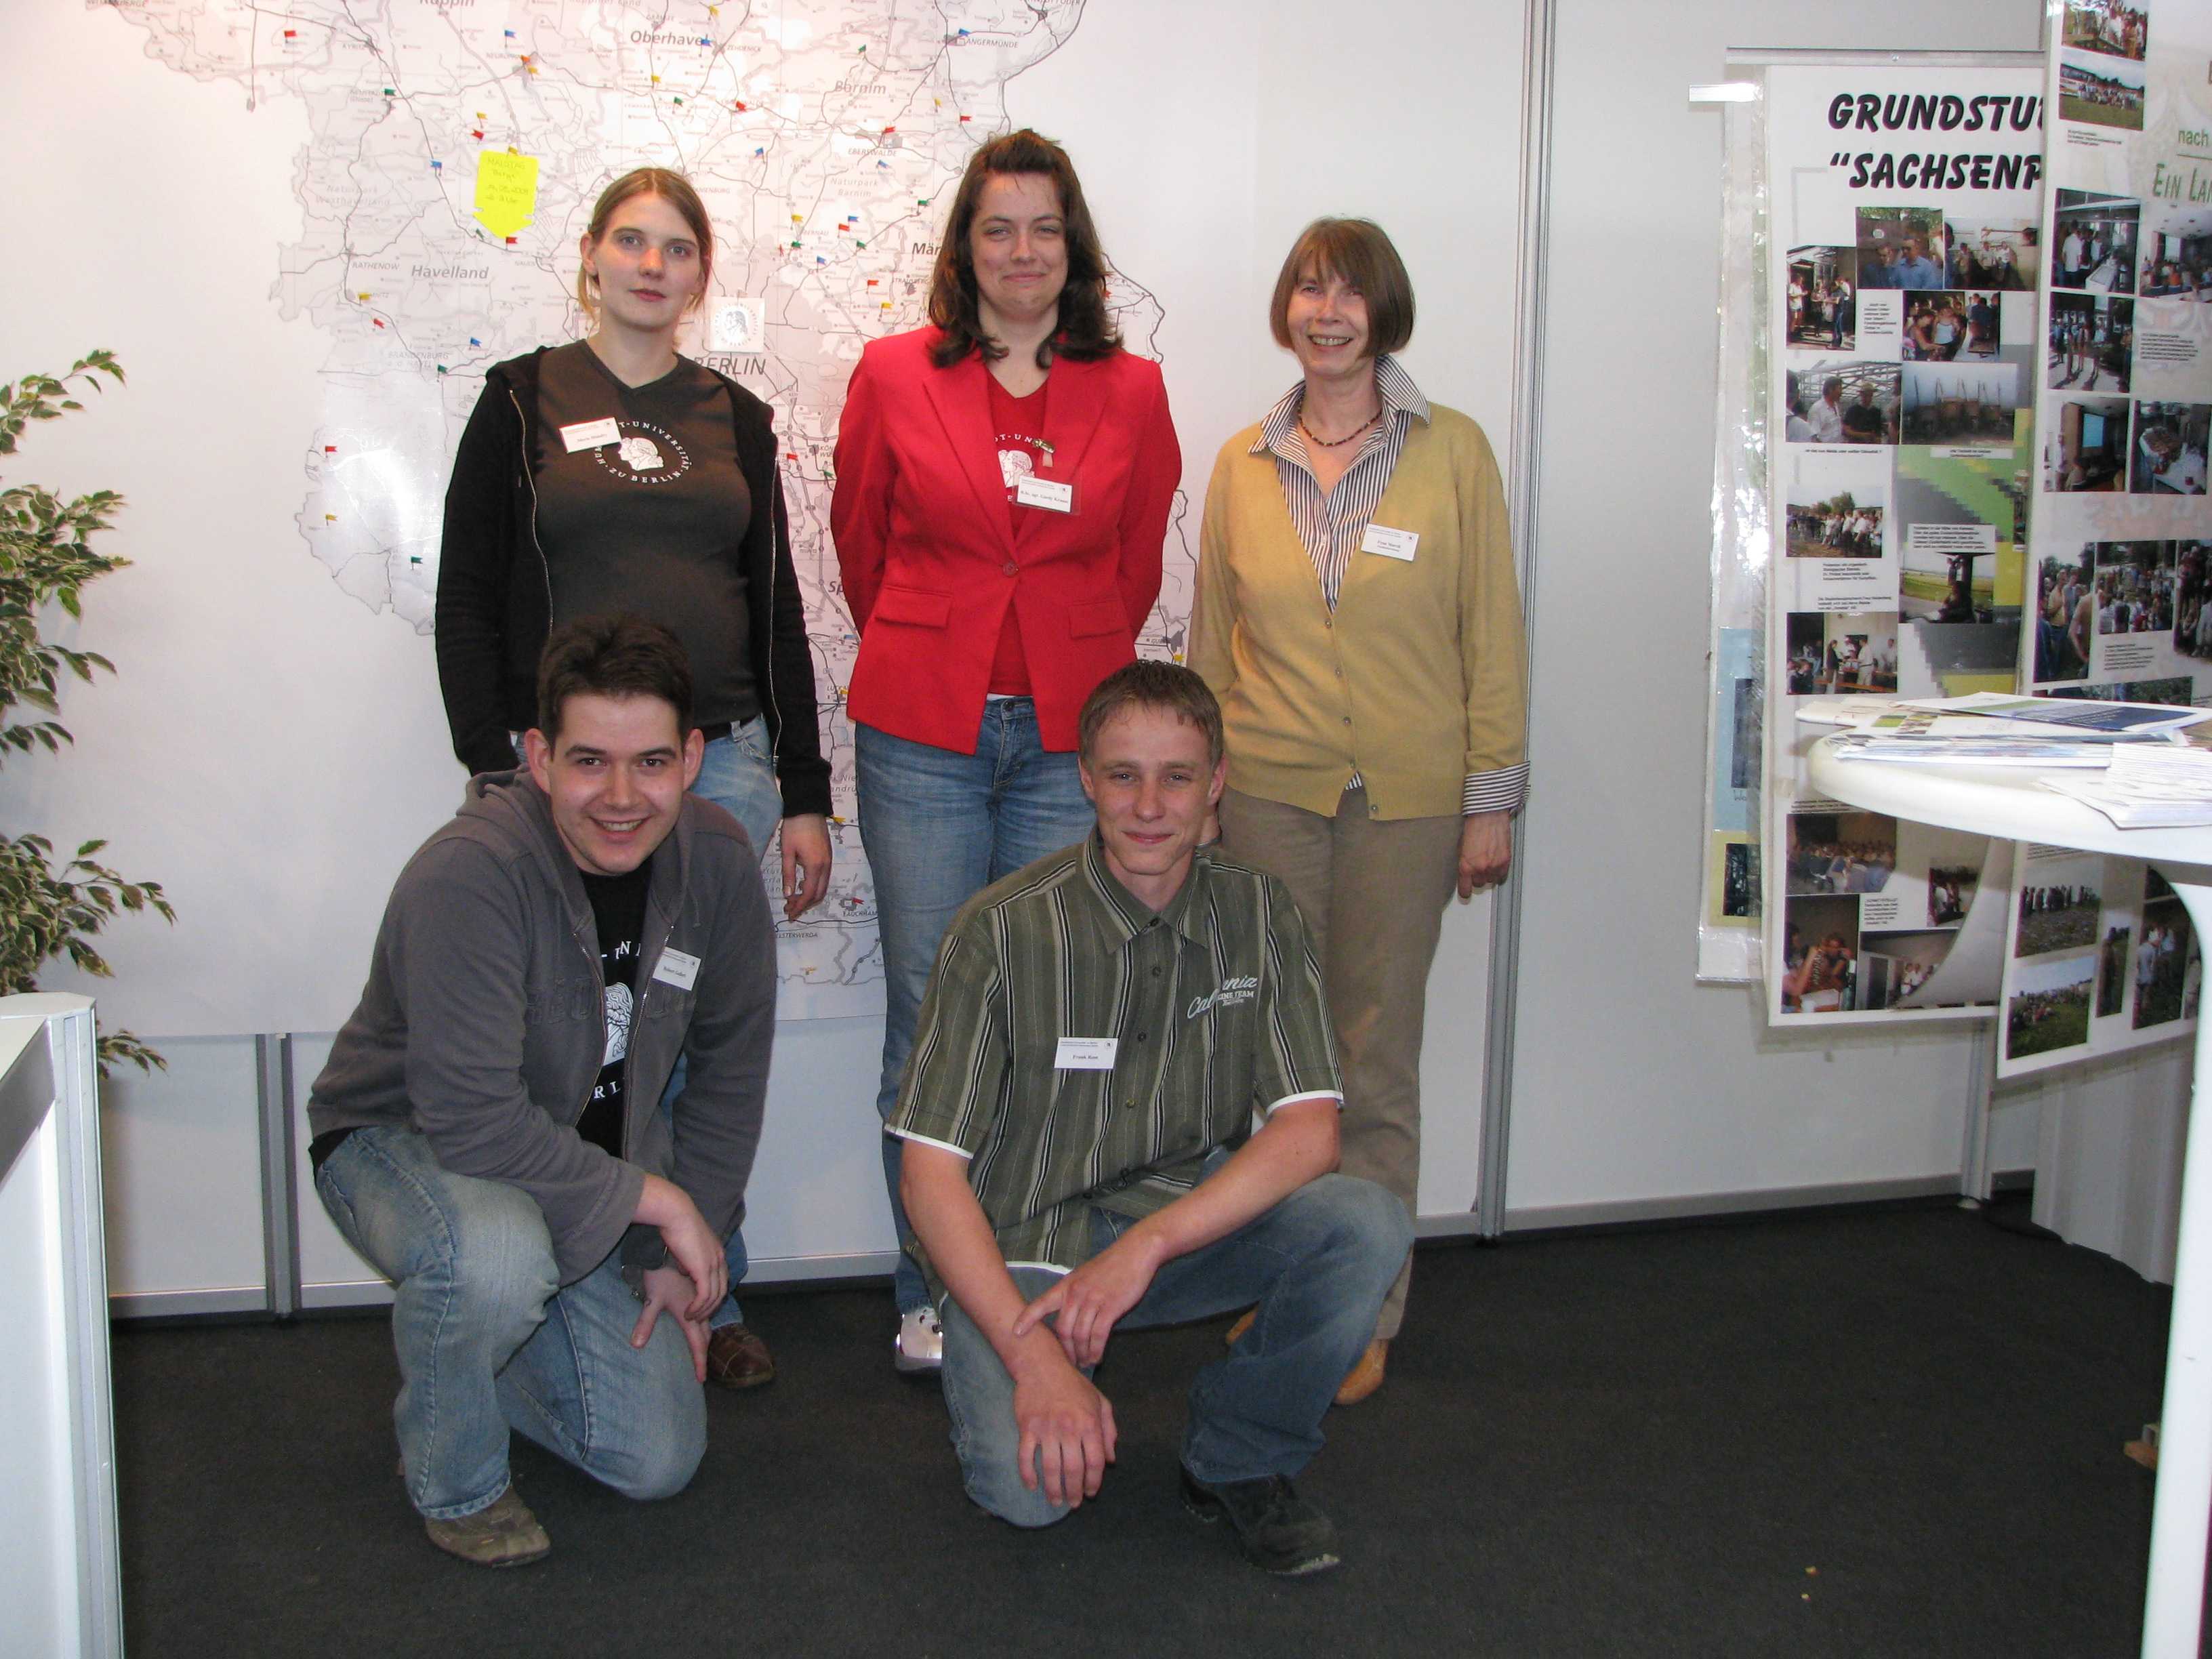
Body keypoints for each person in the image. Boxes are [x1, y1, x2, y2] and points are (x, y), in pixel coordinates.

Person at [434, 168, 834, 1387]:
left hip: (720, 769)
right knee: (562, 1038)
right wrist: (496, 759)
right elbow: (465, 592)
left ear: (701, 275)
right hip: (567, 777)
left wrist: (805, 788)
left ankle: (713, 1283)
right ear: (592, 259)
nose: (653, 265)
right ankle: (555, 1286)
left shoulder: (737, 417)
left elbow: (776, 607)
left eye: (677, 248)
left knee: (692, 1036)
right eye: (631, 241)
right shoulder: (521, 399)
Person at [892, 661, 1410, 1574]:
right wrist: (1034, 1362)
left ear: (1216, 784)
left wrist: (1147, 1247)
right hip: (1024, 1249)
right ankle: (1034, 1369)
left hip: (1170, 1227)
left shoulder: (1260, 911)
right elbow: (929, 1176)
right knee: (1032, 1501)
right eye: (1123, 775)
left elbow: (1310, 1132)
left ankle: (1238, 1453)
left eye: (1177, 777)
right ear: (1086, 779)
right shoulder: (1001, 929)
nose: (1148, 806)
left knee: (1364, 1223)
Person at [307, 616, 779, 1566]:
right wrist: (661, 1205)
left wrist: (663, 1245)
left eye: (651, 763)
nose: (621, 798)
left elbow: (730, 1076)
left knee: (656, 1458)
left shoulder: (721, 863)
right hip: (401, 1140)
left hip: (561, 1165)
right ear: (538, 757)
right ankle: (458, 1479)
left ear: (692, 759)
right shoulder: (470, 874)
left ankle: (462, 1354)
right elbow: (472, 1122)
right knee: (495, 1256)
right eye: (589, 761)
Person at [832, 129, 1181, 1372]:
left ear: (1071, 247)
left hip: (1063, 743)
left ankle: (1032, 1281)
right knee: (932, 1011)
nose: (1022, 250)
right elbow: (861, 542)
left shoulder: (1131, 389)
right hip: (923, 730)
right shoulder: (891, 373)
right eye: (998, 227)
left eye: (1043, 227)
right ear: (965, 247)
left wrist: (1064, 652)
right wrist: (938, 637)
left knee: (1049, 1012)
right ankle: (929, 1290)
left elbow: (1135, 559)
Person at [1188, 218, 1527, 1406]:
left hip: (1405, 802)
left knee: (1371, 1061)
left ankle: (1366, 1306)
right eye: (1307, 289)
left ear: (1384, 312)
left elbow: (1492, 637)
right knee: (1275, 1061)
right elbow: (1208, 646)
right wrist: (1197, 796)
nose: (1325, 312)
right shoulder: (1242, 461)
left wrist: (1489, 799)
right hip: (1268, 794)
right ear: (1285, 308)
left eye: (1348, 292)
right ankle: (1288, 1282)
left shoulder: (1452, 451)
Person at [1809, 377, 1847, 443]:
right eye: (1839, 389)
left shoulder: (1835, 405)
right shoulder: (1817, 409)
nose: (1841, 392)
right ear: (1830, 390)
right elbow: (1813, 436)